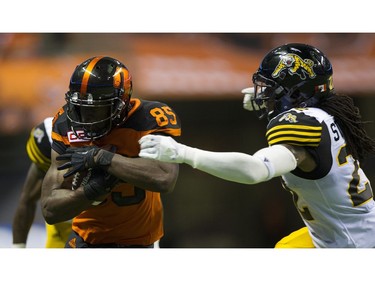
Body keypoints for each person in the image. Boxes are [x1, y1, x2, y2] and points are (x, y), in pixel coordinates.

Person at [138, 43, 375, 248]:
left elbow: (256, 170)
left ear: (293, 93)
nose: (263, 95)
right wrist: (276, 97)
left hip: (352, 245)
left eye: (270, 88)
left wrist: (184, 153)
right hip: (355, 229)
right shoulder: (326, 114)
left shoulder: (300, 128)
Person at [40, 56, 181, 248]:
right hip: (86, 240)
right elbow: (50, 210)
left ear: (120, 104)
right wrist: (90, 191)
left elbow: (165, 178)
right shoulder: (66, 125)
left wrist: (103, 158)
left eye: (97, 107)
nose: (85, 115)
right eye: (80, 105)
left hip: (138, 243)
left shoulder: (148, 119)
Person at [12, 117, 72, 248]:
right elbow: (27, 199)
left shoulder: (117, 137)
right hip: (62, 231)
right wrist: (17, 248)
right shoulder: (49, 137)